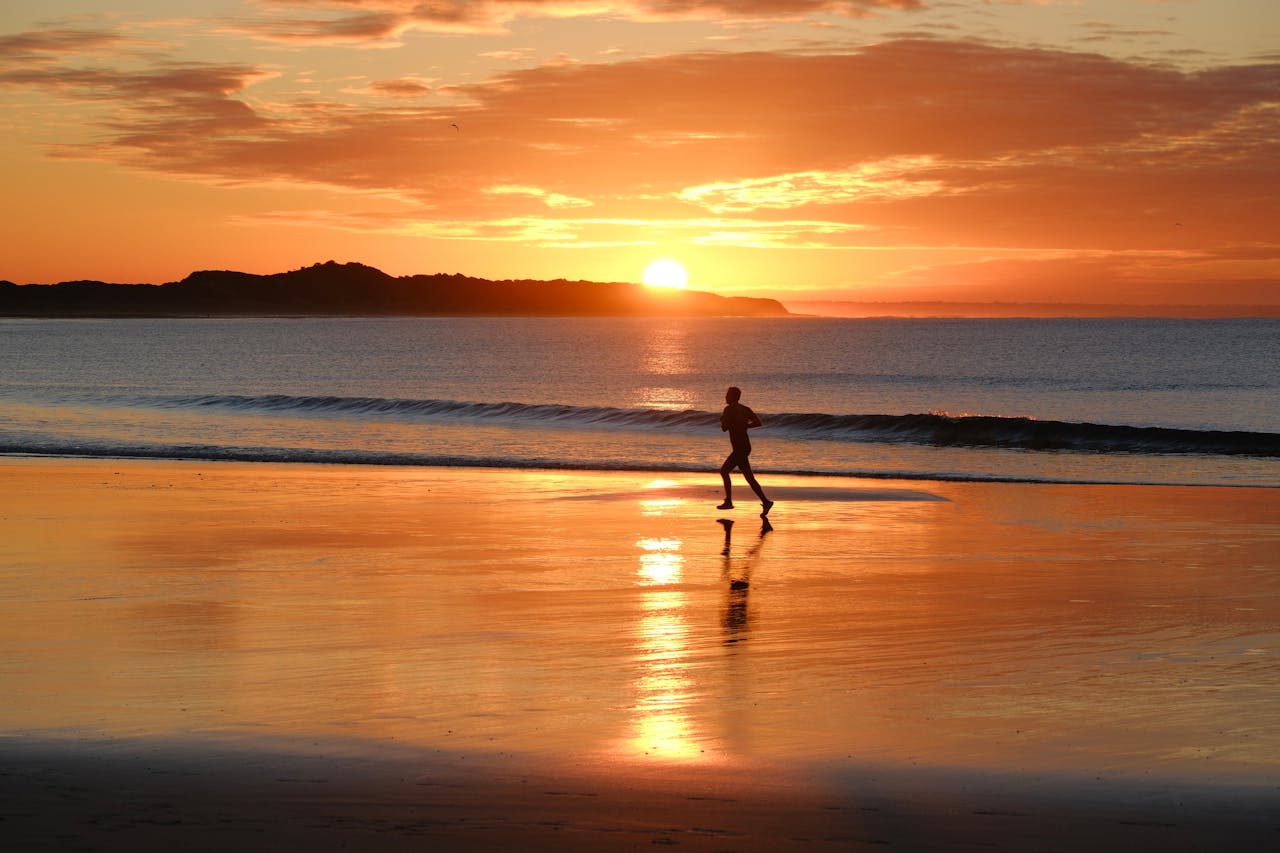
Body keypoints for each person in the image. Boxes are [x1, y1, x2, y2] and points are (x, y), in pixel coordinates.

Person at [718, 386, 773, 517]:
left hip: (739, 448)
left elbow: (724, 428)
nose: (725, 397)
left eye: (727, 395)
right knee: (749, 478)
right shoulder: (745, 409)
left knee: (724, 471)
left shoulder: (728, 409)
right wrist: (745, 426)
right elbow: (758, 423)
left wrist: (724, 421)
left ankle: (729, 501)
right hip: (745, 446)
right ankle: (766, 502)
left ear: (731, 397)